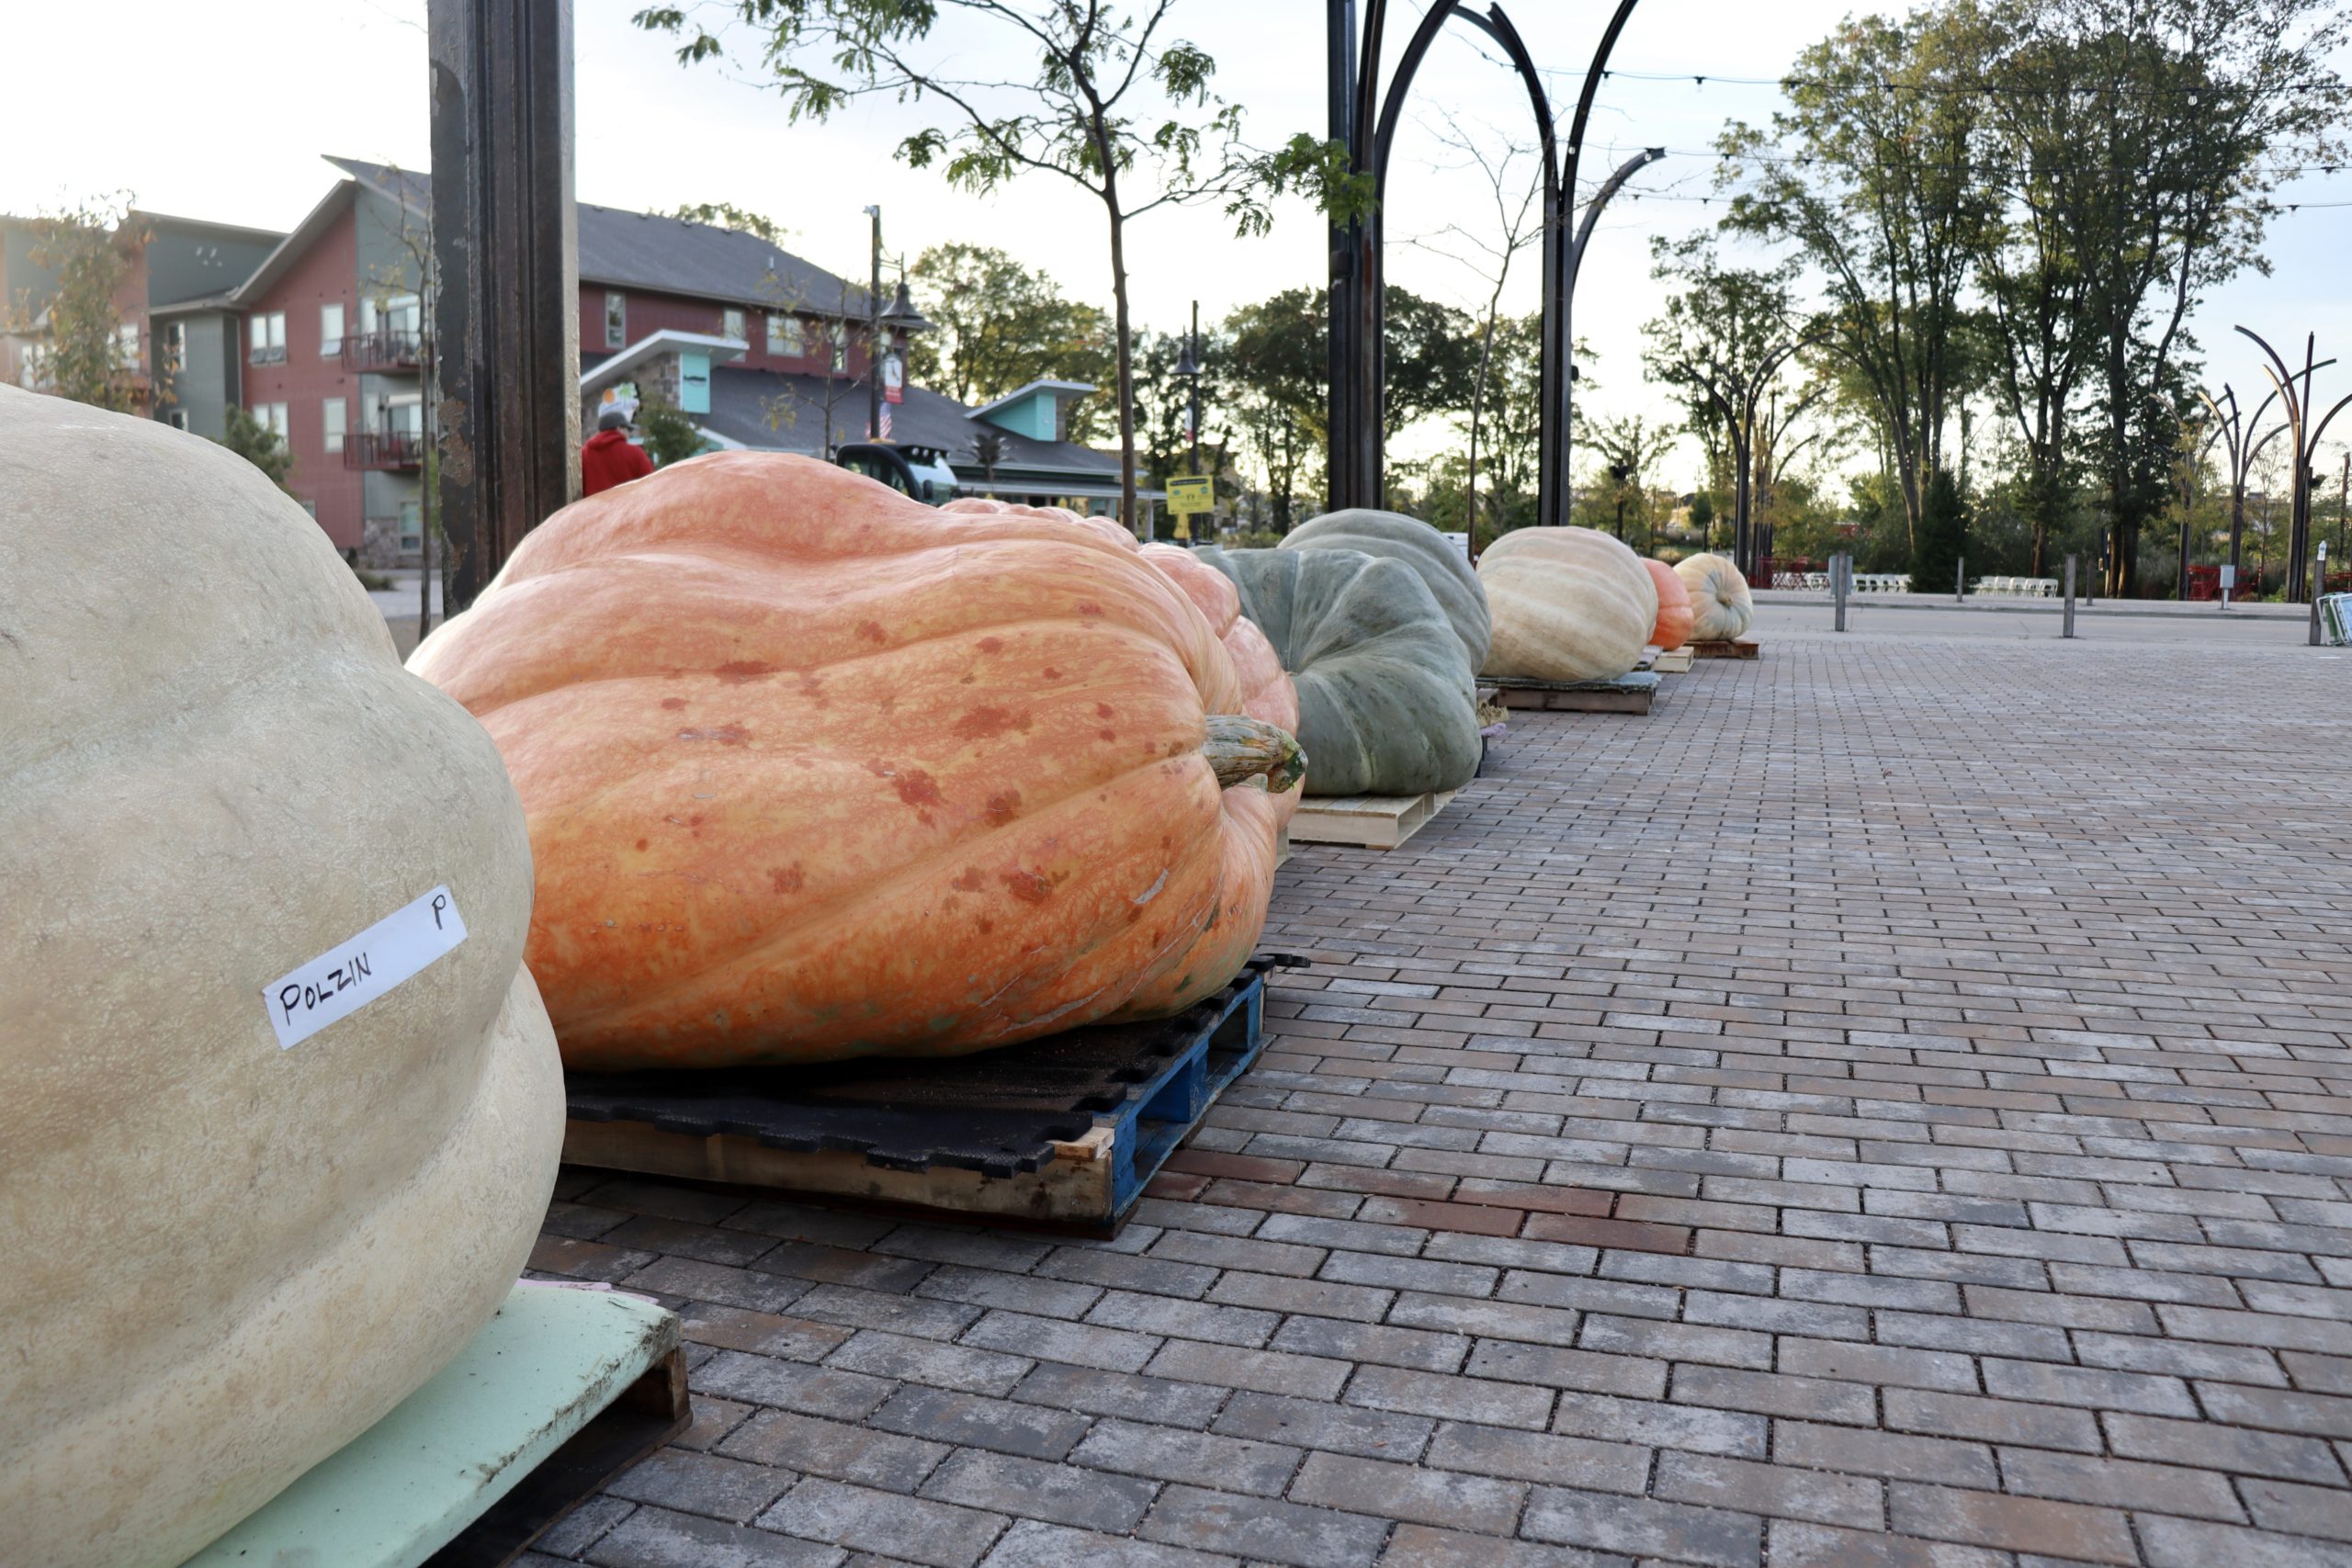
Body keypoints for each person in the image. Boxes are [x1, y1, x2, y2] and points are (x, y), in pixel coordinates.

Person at [582, 404, 654, 496]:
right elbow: (651, 486)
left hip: (593, 509)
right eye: (628, 429)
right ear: (619, 428)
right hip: (629, 509)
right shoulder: (635, 453)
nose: (629, 434)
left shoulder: (584, 455)